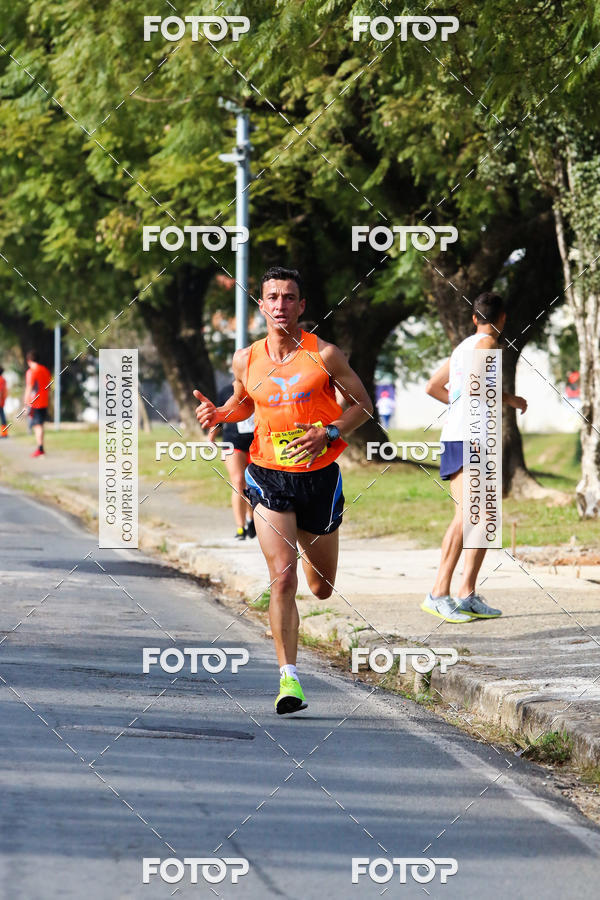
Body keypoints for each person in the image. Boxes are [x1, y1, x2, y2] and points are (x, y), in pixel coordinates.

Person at [194, 266, 372, 714]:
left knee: (321, 585)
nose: (280, 305)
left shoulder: (325, 355)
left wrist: (329, 432)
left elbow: (362, 406)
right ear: (261, 305)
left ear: (301, 306)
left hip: (320, 477)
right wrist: (221, 415)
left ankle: (317, 576)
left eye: (289, 297)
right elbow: (244, 403)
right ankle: (289, 680)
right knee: (283, 576)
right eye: (272, 297)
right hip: (268, 473)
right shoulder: (245, 358)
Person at [423, 292, 527, 623]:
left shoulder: (462, 348)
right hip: (471, 439)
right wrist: (505, 400)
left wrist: (464, 406)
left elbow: (433, 387)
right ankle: (437, 593)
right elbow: (477, 387)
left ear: (474, 318)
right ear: (503, 319)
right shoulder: (486, 345)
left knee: (483, 518)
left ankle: (465, 594)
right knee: (470, 515)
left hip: (464, 436)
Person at [217, 381, 256, 540]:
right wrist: (211, 437)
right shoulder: (226, 390)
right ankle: (240, 528)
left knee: (253, 484)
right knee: (238, 481)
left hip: (256, 441)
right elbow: (218, 416)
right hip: (233, 441)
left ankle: (251, 520)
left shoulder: (258, 386)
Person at [24, 351, 52, 457]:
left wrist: (26, 403)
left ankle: (40, 448)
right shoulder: (45, 370)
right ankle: (40, 447)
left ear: (29, 361)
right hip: (44, 400)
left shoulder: (31, 371)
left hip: (35, 402)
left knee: (37, 425)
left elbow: (29, 387)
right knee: (39, 425)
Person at [0, 366, 8, 437]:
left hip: (0, 401)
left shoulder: (1, 380)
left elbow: (1, 391)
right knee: (2, 417)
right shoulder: (3, 379)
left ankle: (4, 434)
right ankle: (4, 433)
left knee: (2, 417)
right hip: (2, 401)